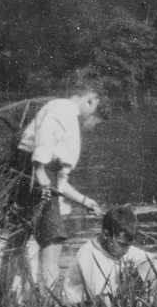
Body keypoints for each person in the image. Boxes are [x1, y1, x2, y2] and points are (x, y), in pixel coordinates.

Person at [19, 87, 106, 293]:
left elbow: (61, 185)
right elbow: (47, 131)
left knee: (30, 241)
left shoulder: (64, 115)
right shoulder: (67, 109)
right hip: (38, 177)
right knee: (53, 242)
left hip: (38, 178)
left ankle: (32, 297)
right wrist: (40, 169)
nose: (92, 128)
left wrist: (85, 201)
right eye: (95, 122)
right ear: (91, 102)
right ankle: (48, 302)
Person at [62, 205, 157, 307]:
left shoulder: (119, 246)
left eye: (129, 245)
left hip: (108, 298)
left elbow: (155, 258)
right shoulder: (89, 256)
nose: (126, 249)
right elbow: (103, 303)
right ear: (106, 235)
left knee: (153, 265)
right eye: (122, 244)